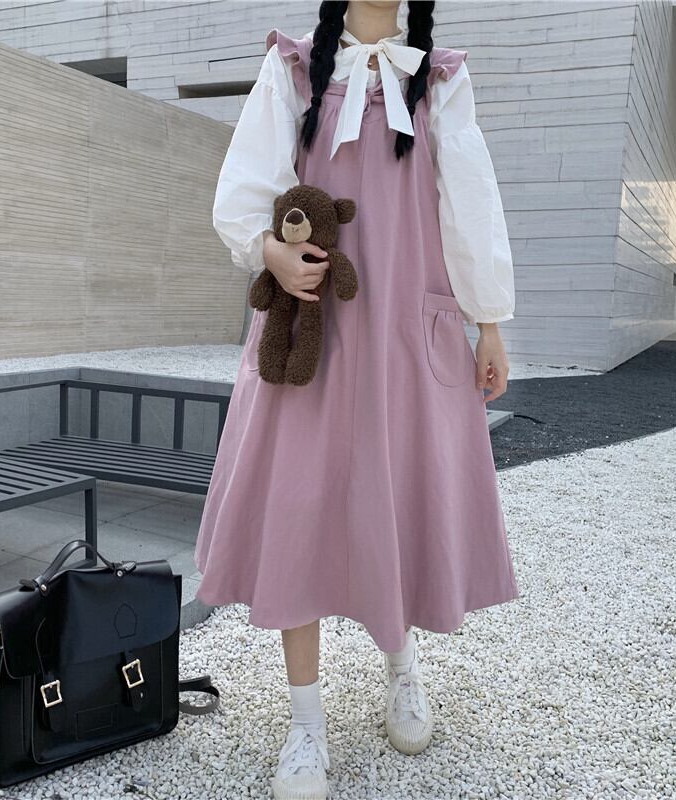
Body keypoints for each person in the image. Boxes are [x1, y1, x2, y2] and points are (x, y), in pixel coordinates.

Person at [193, 2, 519, 798]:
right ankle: (305, 722)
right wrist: (267, 251)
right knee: (297, 512)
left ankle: (401, 667)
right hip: (311, 332)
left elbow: (469, 205)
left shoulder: (438, 78)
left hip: (406, 332)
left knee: (395, 499)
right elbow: (243, 189)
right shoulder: (292, 68)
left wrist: (488, 323)